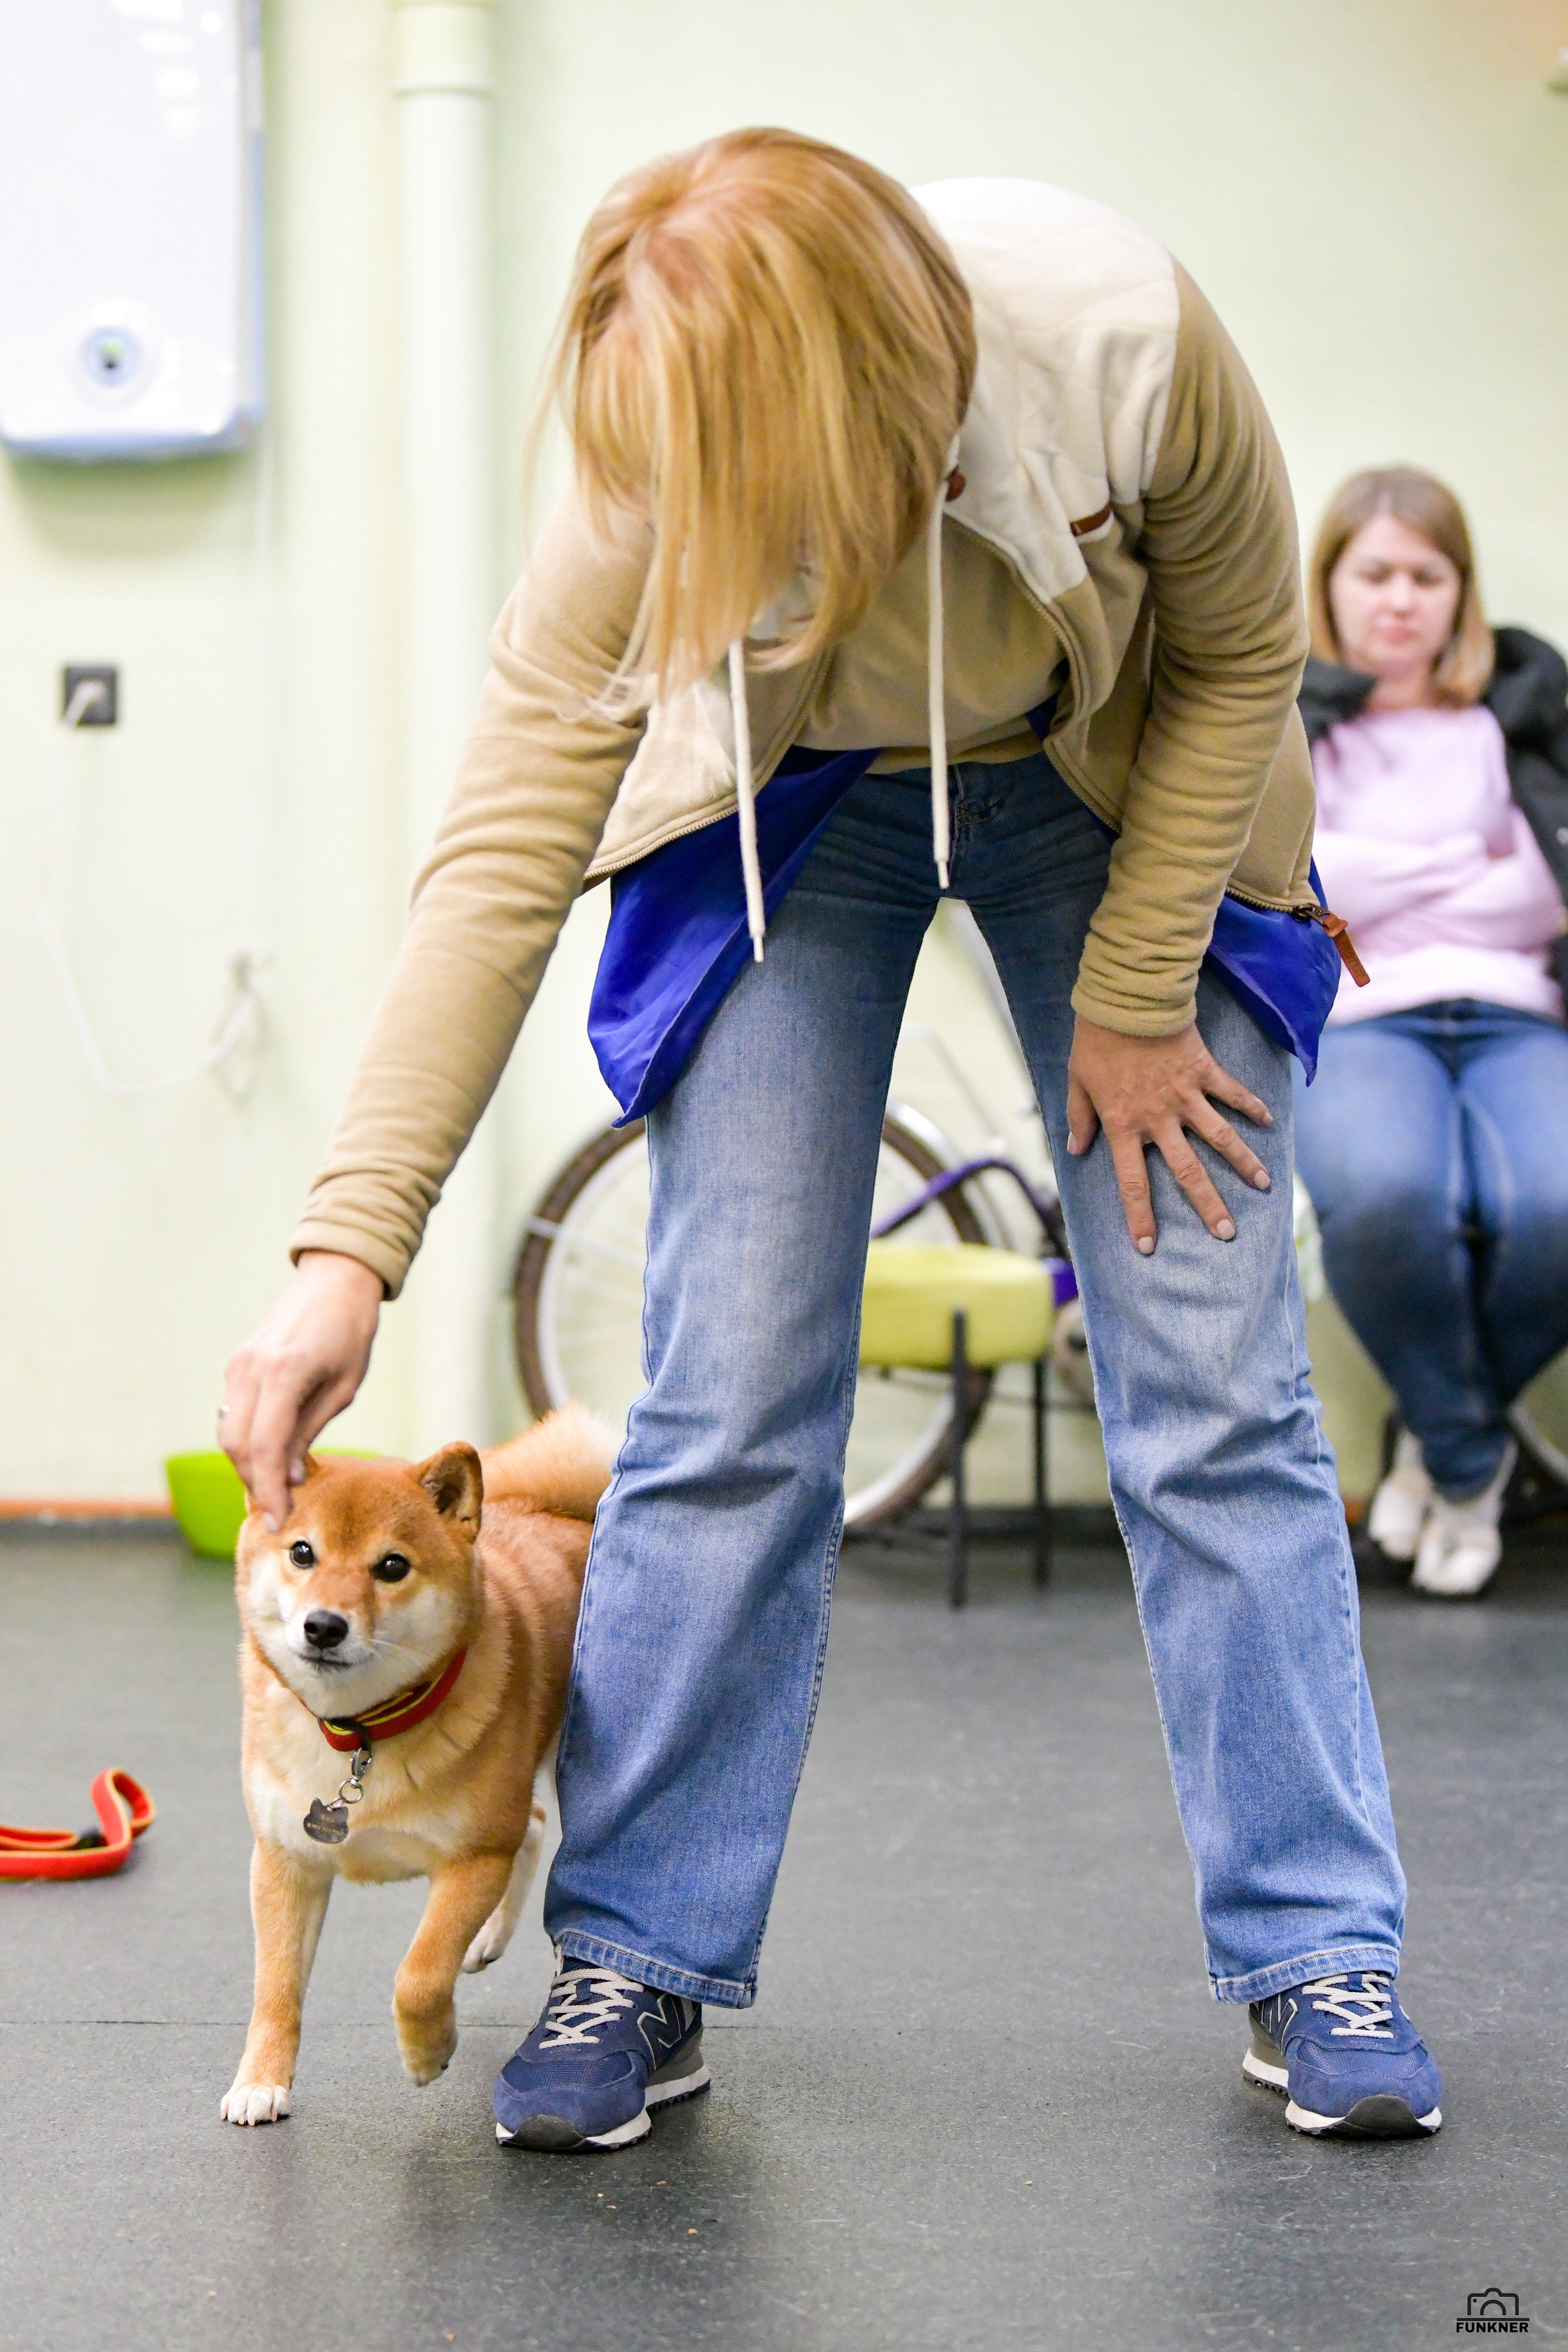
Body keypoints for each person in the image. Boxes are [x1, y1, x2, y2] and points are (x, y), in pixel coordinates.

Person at [220, 132, 1443, 2149]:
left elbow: (1240, 654)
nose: (692, 507)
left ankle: (1322, 1947)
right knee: (725, 1399)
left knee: (1215, 1385)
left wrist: (1140, 992)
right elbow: (507, 842)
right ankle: (638, 1955)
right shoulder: (656, 438)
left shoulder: (1129, 343)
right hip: (793, 798)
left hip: (1125, 774)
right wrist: (347, 1250)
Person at [1294, 468, 1568, 1600]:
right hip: (1360, 1016)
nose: (1400, 600)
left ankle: (1436, 1436)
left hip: (1520, 1012)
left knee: (1557, 1210)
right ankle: (1466, 1459)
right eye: (1375, 574)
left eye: (1426, 575)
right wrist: (1469, 867)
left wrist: (1380, 881)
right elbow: (1303, 891)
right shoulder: (1280, 714)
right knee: (1388, 1198)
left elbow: (1544, 896)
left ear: (1462, 590)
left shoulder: (1526, 711)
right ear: (1329, 583)